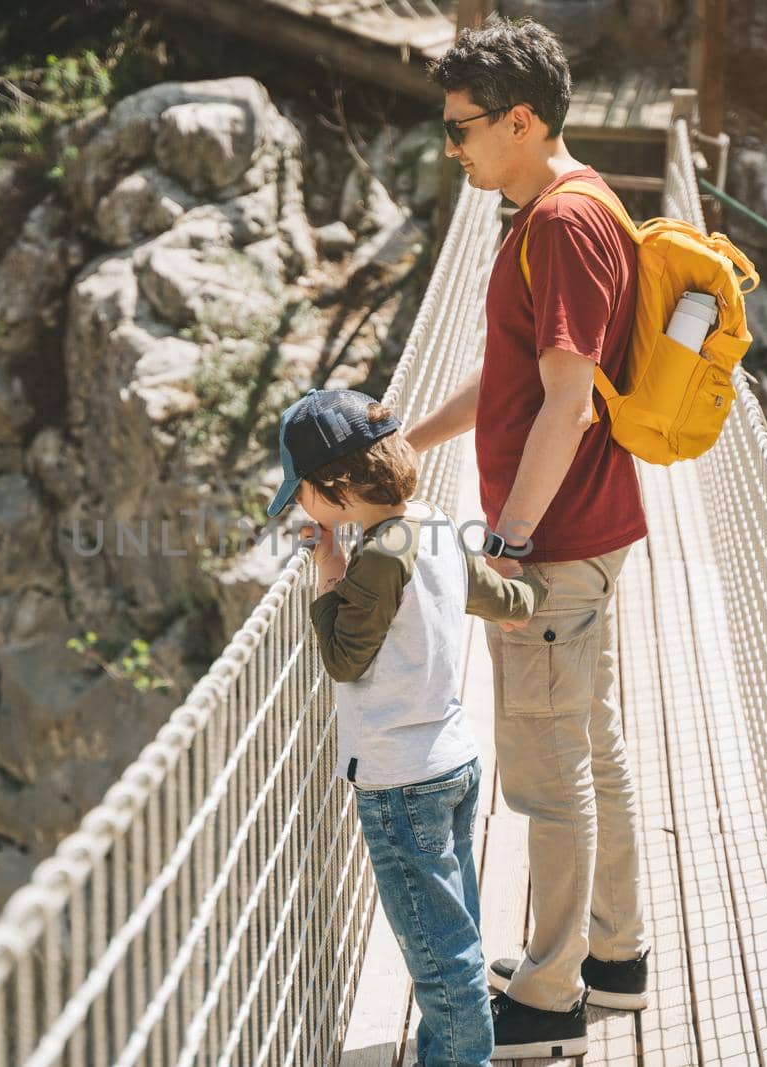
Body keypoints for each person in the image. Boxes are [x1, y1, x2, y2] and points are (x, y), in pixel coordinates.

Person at [405, 16, 653, 1059]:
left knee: (546, 778)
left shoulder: (555, 224)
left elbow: (568, 404)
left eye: (462, 128)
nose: (450, 146)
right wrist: (408, 435)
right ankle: (614, 958)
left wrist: (507, 539)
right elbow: (517, 375)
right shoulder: (571, 204)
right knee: (587, 747)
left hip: (552, 549)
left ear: (519, 119)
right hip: (587, 532)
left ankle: (549, 998)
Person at [266, 387, 547, 1067]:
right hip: (452, 762)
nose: (298, 505)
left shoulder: (378, 557)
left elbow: (342, 656)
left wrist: (330, 572)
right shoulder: (428, 522)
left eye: (299, 491)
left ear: (333, 488)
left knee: (436, 953)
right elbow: (486, 592)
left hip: (401, 783)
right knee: (457, 930)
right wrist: (525, 600)